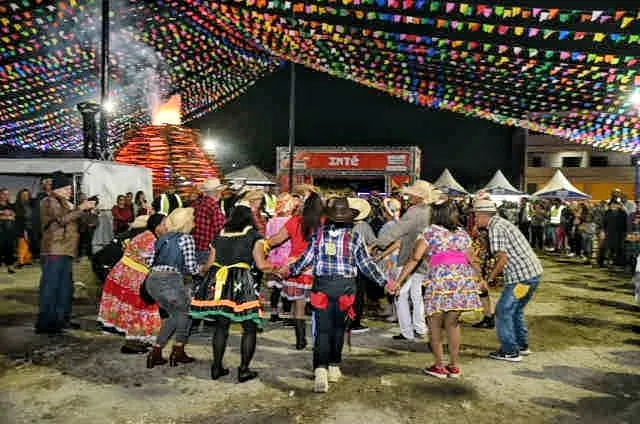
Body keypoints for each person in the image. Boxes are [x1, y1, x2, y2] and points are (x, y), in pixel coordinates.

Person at [287, 197, 387, 393]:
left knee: (322, 330)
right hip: (345, 288)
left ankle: (320, 370)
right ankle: (334, 366)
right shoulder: (354, 238)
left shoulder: (318, 235)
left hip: (322, 287)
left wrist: (289, 271)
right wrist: (386, 282)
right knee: (339, 329)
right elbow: (366, 265)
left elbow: (305, 260)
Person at [392, 200, 483, 378]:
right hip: (461, 284)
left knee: (434, 325)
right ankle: (455, 366)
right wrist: (480, 279)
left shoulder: (430, 233)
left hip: (440, 283)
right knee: (453, 325)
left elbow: (414, 258)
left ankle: (439, 366)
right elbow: (473, 260)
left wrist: (399, 280)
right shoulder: (462, 234)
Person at [191, 205, 276, 382]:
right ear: (250, 218)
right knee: (250, 327)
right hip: (240, 281)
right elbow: (261, 265)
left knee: (221, 326)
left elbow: (209, 264)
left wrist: (200, 271)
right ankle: (244, 370)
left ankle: (216, 367)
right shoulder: (254, 236)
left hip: (218, 282)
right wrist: (279, 268)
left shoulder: (220, 235)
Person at [474, 198, 543, 362]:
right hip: (532, 274)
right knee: (515, 310)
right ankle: (521, 345)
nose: (475, 219)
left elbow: (502, 259)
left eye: (476, 216)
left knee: (503, 311)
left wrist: (488, 280)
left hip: (521, 278)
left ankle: (510, 351)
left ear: (483, 215)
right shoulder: (501, 223)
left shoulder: (495, 228)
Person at [371, 180, 438, 341]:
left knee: (400, 294)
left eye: (412, 194)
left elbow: (397, 231)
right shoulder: (431, 211)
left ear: (418, 196)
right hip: (426, 257)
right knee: (417, 295)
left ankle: (407, 331)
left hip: (409, 256)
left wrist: (376, 243)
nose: (409, 197)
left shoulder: (414, 212)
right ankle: (420, 328)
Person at [37, 172, 97, 333]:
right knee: (51, 287)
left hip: (68, 250)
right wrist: (80, 209)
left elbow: (88, 224)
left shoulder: (68, 204)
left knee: (65, 288)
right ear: (59, 188)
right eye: (68, 188)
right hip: (54, 249)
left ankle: (61, 319)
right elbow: (61, 220)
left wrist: (90, 212)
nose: (71, 190)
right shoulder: (50, 201)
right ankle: (46, 323)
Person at [98, 214, 165, 353]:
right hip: (132, 278)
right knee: (136, 311)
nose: (167, 227)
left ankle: (137, 341)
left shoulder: (146, 235)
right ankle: (131, 344)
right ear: (156, 226)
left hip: (126, 275)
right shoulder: (150, 240)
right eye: (164, 224)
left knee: (135, 310)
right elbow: (155, 262)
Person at [267, 188, 324, 350]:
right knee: (319, 307)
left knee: (298, 306)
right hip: (318, 268)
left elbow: (276, 240)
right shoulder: (324, 221)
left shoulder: (295, 221)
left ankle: (300, 341)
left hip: (296, 268)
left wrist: (261, 244)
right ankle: (319, 339)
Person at [145, 207, 200, 368]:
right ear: (186, 222)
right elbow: (192, 268)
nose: (194, 222)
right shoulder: (186, 238)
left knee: (173, 316)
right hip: (170, 281)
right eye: (192, 219)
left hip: (152, 281)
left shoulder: (162, 238)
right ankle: (178, 350)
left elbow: (149, 262)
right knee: (186, 313)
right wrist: (203, 267)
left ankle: (156, 352)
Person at [265, 193, 297, 322]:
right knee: (287, 288)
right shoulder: (292, 221)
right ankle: (287, 315)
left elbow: (268, 238)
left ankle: (273, 314)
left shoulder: (271, 221)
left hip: (273, 256)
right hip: (288, 256)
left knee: (275, 289)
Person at [348, 197, 377, 333]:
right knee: (358, 293)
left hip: (345, 264)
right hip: (359, 264)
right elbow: (373, 242)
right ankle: (354, 322)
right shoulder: (364, 226)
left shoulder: (345, 224)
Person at [14, 189, 34, 268]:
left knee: (29, 244)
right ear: (20, 196)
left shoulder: (31, 205)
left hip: (31, 227)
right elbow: (19, 219)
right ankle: (20, 261)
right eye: (23, 195)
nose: (25, 197)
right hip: (21, 227)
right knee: (23, 243)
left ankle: (27, 260)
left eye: (27, 195)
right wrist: (24, 229)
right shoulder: (17, 205)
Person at [0, 188, 16, 274]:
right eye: (4, 194)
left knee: (9, 249)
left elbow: (14, 216)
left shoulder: (11, 205)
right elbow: (9, 217)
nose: (6, 196)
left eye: (7, 194)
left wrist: (10, 216)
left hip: (9, 231)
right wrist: (4, 215)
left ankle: (10, 267)